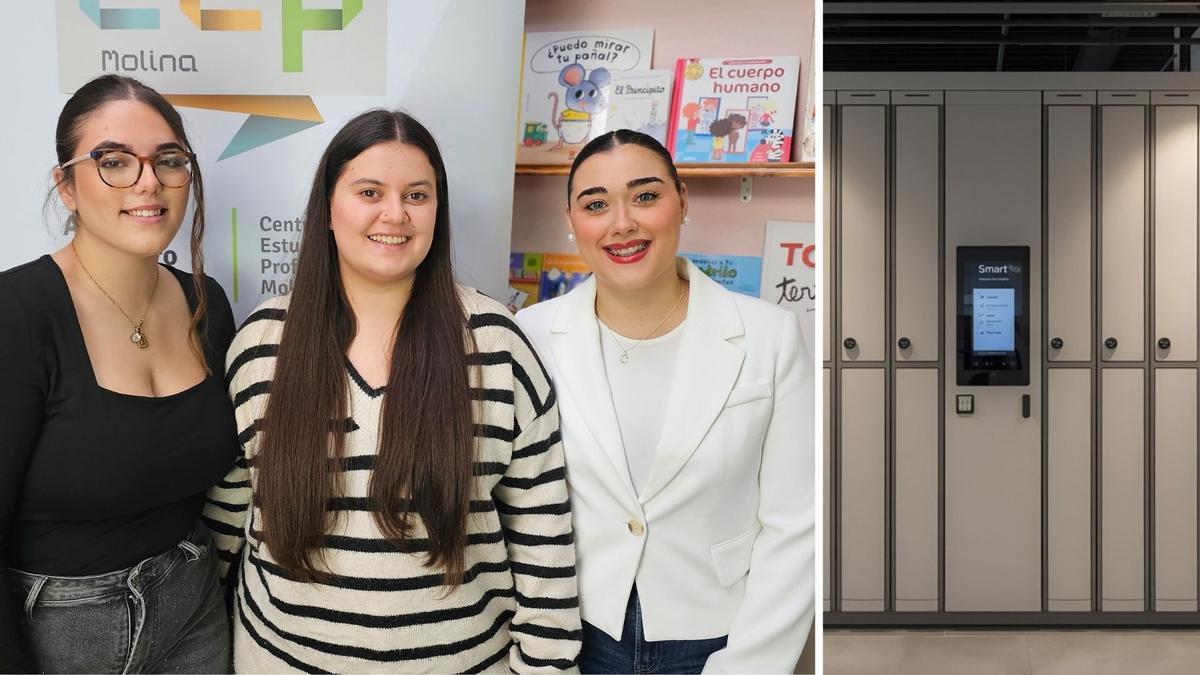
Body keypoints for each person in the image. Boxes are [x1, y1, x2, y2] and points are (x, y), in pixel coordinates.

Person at [201, 109, 581, 673]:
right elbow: (226, 517)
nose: (395, 214)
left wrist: (548, 665)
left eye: (417, 195)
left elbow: (542, 529)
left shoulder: (495, 344)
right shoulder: (261, 344)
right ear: (328, 208)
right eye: (370, 192)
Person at [515, 129, 814, 674]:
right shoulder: (530, 335)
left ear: (682, 201)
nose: (622, 223)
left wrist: (747, 664)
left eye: (645, 196)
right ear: (572, 220)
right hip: (572, 633)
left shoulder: (769, 336)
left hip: (717, 635)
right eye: (596, 204)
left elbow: (797, 524)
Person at [0, 74, 237, 673]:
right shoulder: (17, 312)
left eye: (169, 160)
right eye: (114, 162)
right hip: (61, 631)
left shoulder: (207, 303)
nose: (148, 181)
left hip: (195, 606)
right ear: (67, 186)